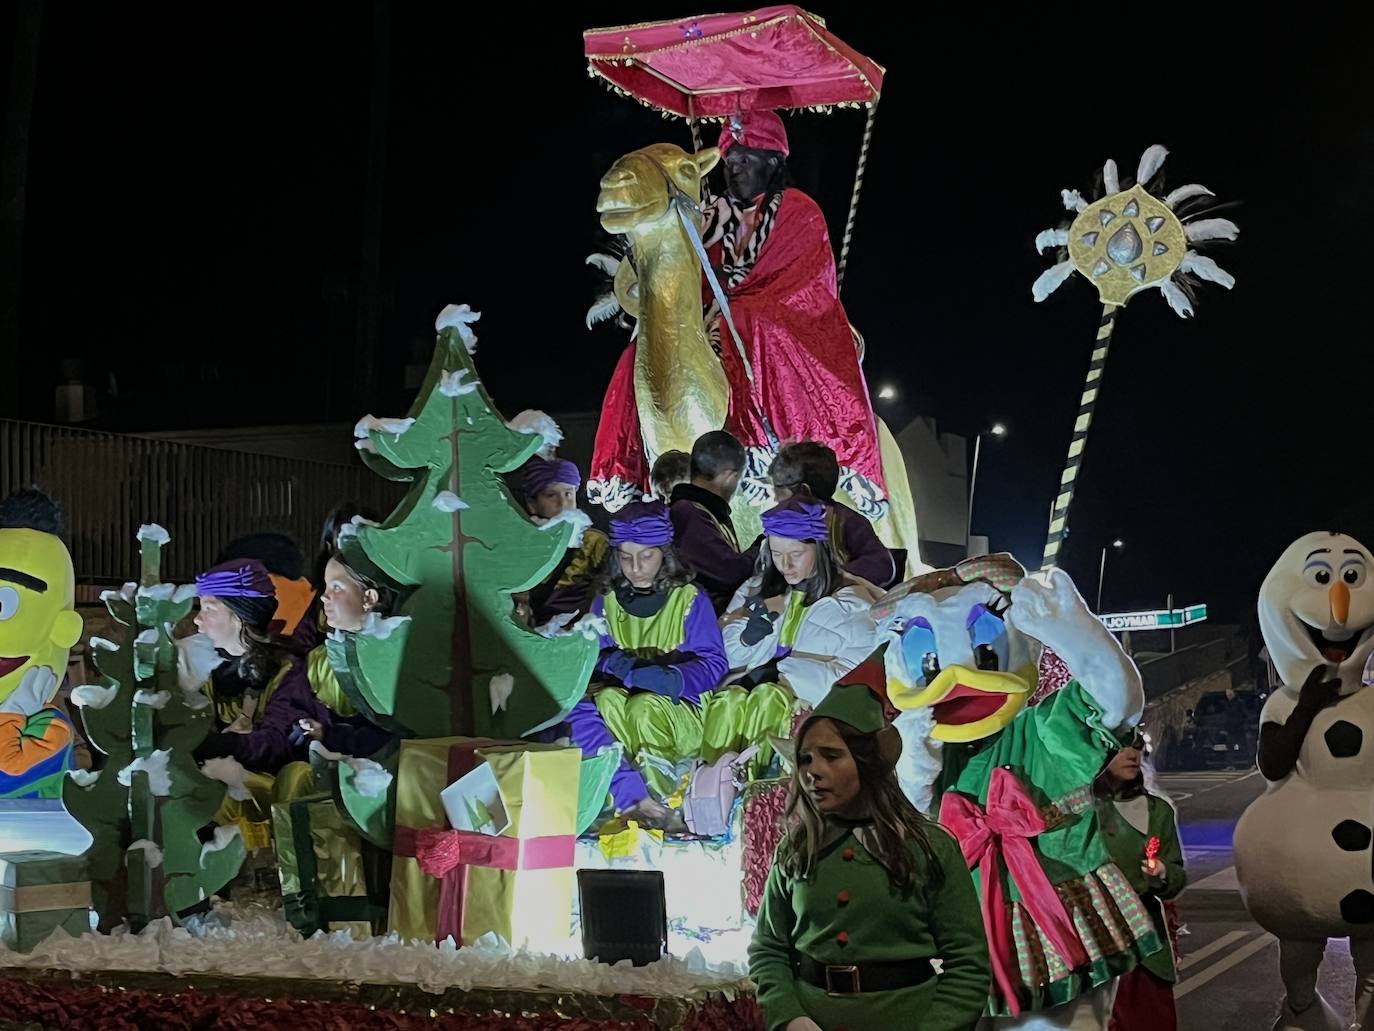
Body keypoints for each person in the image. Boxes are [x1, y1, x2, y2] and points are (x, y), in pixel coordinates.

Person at [750, 656, 990, 1031]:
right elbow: (768, 949)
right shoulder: (797, 850)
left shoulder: (929, 847)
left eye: (831, 756)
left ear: (868, 762)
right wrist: (790, 1017)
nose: (812, 771)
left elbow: (968, 964)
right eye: (805, 759)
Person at [703, 109, 887, 518]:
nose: (734, 171)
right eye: (730, 163)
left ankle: (773, 441)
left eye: (744, 161)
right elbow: (701, 273)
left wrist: (735, 302)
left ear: (773, 162)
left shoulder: (799, 209)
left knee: (757, 321)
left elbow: (803, 280)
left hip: (790, 316)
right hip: (721, 316)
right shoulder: (717, 216)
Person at [565, 501, 727, 832]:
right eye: (625, 557)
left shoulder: (689, 599)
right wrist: (617, 662)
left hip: (683, 710)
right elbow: (591, 651)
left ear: (664, 554)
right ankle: (632, 800)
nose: (635, 568)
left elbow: (714, 664)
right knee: (607, 702)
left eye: (646, 556)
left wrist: (671, 678)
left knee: (644, 706)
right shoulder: (606, 600)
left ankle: (666, 802)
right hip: (626, 701)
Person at [190, 558, 319, 845]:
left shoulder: (287, 669)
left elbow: (277, 743)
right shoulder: (204, 667)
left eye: (208, 608)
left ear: (238, 615)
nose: (197, 619)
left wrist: (223, 744)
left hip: (262, 787)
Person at [1097, 730, 1186, 1031]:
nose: (1132, 753)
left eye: (1136, 746)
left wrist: (1163, 874)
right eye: (1121, 746)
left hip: (1149, 946)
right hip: (1101, 944)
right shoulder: (1086, 812)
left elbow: (1176, 874)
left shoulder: (1158, 810)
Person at [291, 550, 396, 759]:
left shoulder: (389, 657)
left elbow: (388, 736)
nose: (324, 596)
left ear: (369, 597)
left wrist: (330, 735)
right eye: (327, 586)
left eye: (336, 587)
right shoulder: (332, 652)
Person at [769, 440, 896, 588]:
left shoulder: (846, 521)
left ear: (804, 491)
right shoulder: (782, 526)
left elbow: (882, 564)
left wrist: (832, 579)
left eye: (778, 490)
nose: (775, 498)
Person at [669, 430, 758, 614]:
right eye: (737, 478)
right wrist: (766, 543)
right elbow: (730, 573)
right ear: (729, 476)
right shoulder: (688, 512)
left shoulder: (706, 510)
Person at [516, 454, 609, 628]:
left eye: (568, 493)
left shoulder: (596, 543)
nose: (563, 503)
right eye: (551, 495)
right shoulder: (521, 546)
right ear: (532, 504)